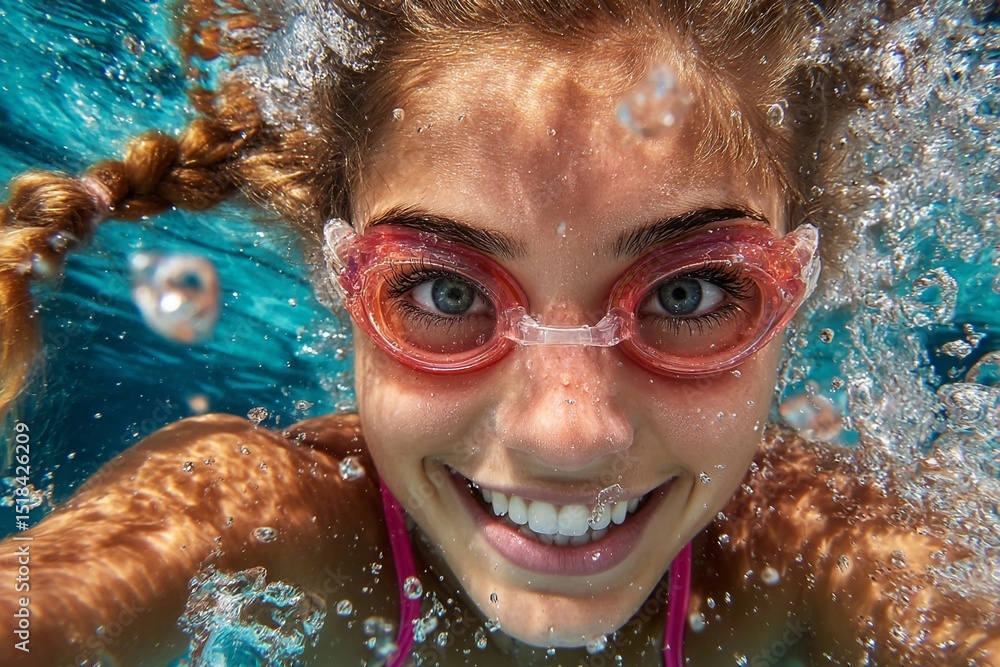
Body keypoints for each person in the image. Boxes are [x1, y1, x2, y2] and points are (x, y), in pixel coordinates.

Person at [0, 0, 996, 665]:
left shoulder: (823, 549)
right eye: (444, 292)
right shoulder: (259, 518)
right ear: (341, 281)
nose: (566, 436)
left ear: (798, 288)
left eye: (690, 293)